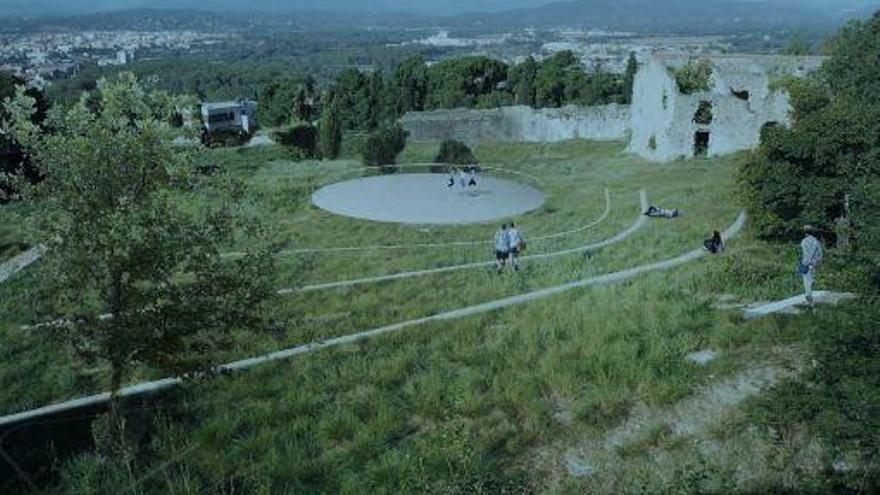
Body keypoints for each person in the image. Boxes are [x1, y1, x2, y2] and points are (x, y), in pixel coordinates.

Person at [800, 225, 823, 306]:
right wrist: (816, 262)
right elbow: (820, 254)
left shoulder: (804, 241)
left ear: (805, 232)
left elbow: (805, 253)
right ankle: (810, 299)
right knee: (811, 280)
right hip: (814, 263)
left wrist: (806, 262)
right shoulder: (816, 241)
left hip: (806, 263)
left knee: (806, 281)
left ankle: (809, 300)